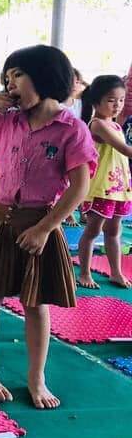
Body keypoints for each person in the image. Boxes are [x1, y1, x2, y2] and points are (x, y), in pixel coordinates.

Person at [0, 45, 95, 409]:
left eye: (18, 75)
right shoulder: (6, 119)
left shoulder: (71, 129)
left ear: (46, 77)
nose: (10, 84)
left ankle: (37, 377)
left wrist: (46, 228)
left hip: (39, 223)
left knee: (36, 304)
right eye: (7, 77)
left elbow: (79, 186)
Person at [76, 75, 132, 289]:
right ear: (95, 101)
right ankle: (84, 273)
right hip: (101, 188)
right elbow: (125, 150)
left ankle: (116, 272)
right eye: (111, 100)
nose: (117, 105)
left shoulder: (115, 125)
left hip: (119, 188)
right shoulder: (98, 125)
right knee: (92, 231)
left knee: (114, 231)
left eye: (121, 100)